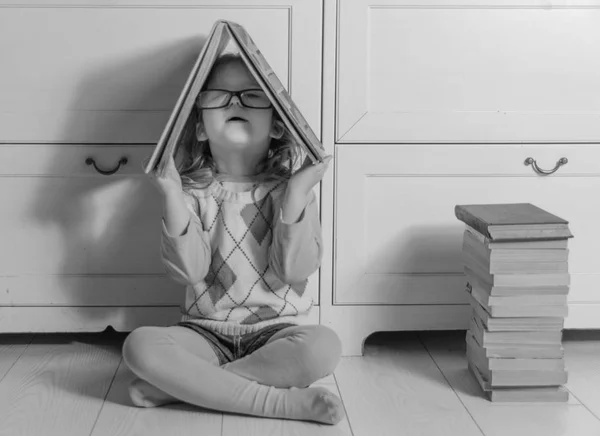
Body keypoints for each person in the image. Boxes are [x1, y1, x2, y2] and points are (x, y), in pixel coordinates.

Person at [121, 52, 344, 425]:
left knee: (324, 347)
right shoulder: (193, 193)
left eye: (252, 95)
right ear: (201, 128)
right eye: (220, 95)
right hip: (202, 333)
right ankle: (281, 404)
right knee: (139, 346)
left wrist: (296, 194)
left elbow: (295, 270)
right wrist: (173, 195)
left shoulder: (290, 192)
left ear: (276, 125)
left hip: (276, 334)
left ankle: (183, 388)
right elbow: (188, 272)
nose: (236, 102)